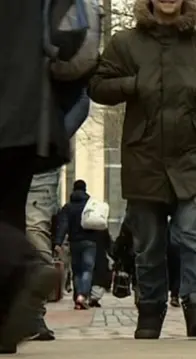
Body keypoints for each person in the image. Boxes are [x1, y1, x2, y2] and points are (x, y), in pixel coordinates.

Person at [88, 0, 196, 339]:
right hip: (144, 156)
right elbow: (97, 86)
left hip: (193, 155)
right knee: (149, 242)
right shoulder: (125, 43)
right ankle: (151, 310)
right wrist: (132, 84)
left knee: (195, 236)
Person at [0, 1, 91, 353]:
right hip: (29, 110)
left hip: (17, 104)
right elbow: (72, 35)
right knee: (8, 211)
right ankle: (5, 320)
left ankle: (21, 264)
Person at [26, 90, 91, 341]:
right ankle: (29, 313)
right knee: (34, 229)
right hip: (31, 148)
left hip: (37, 152)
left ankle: (31, 313)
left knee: (33, 229)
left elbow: (81, 98)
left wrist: (56, 138)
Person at [55, 180, 103, 310]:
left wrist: (58, 242)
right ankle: (82, 296)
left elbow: (63, 225)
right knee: (87, 269)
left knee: (77, 271)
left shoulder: (68, 207)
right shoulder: (90, 205)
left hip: (74, 242)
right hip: (90, 242)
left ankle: (78, 298)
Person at [90, 231, 114, 308]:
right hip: (101, 254)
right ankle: (95, 297)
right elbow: (108, 243)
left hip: (91, 251)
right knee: (100, 275)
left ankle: (87, 296)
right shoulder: (102, 228)